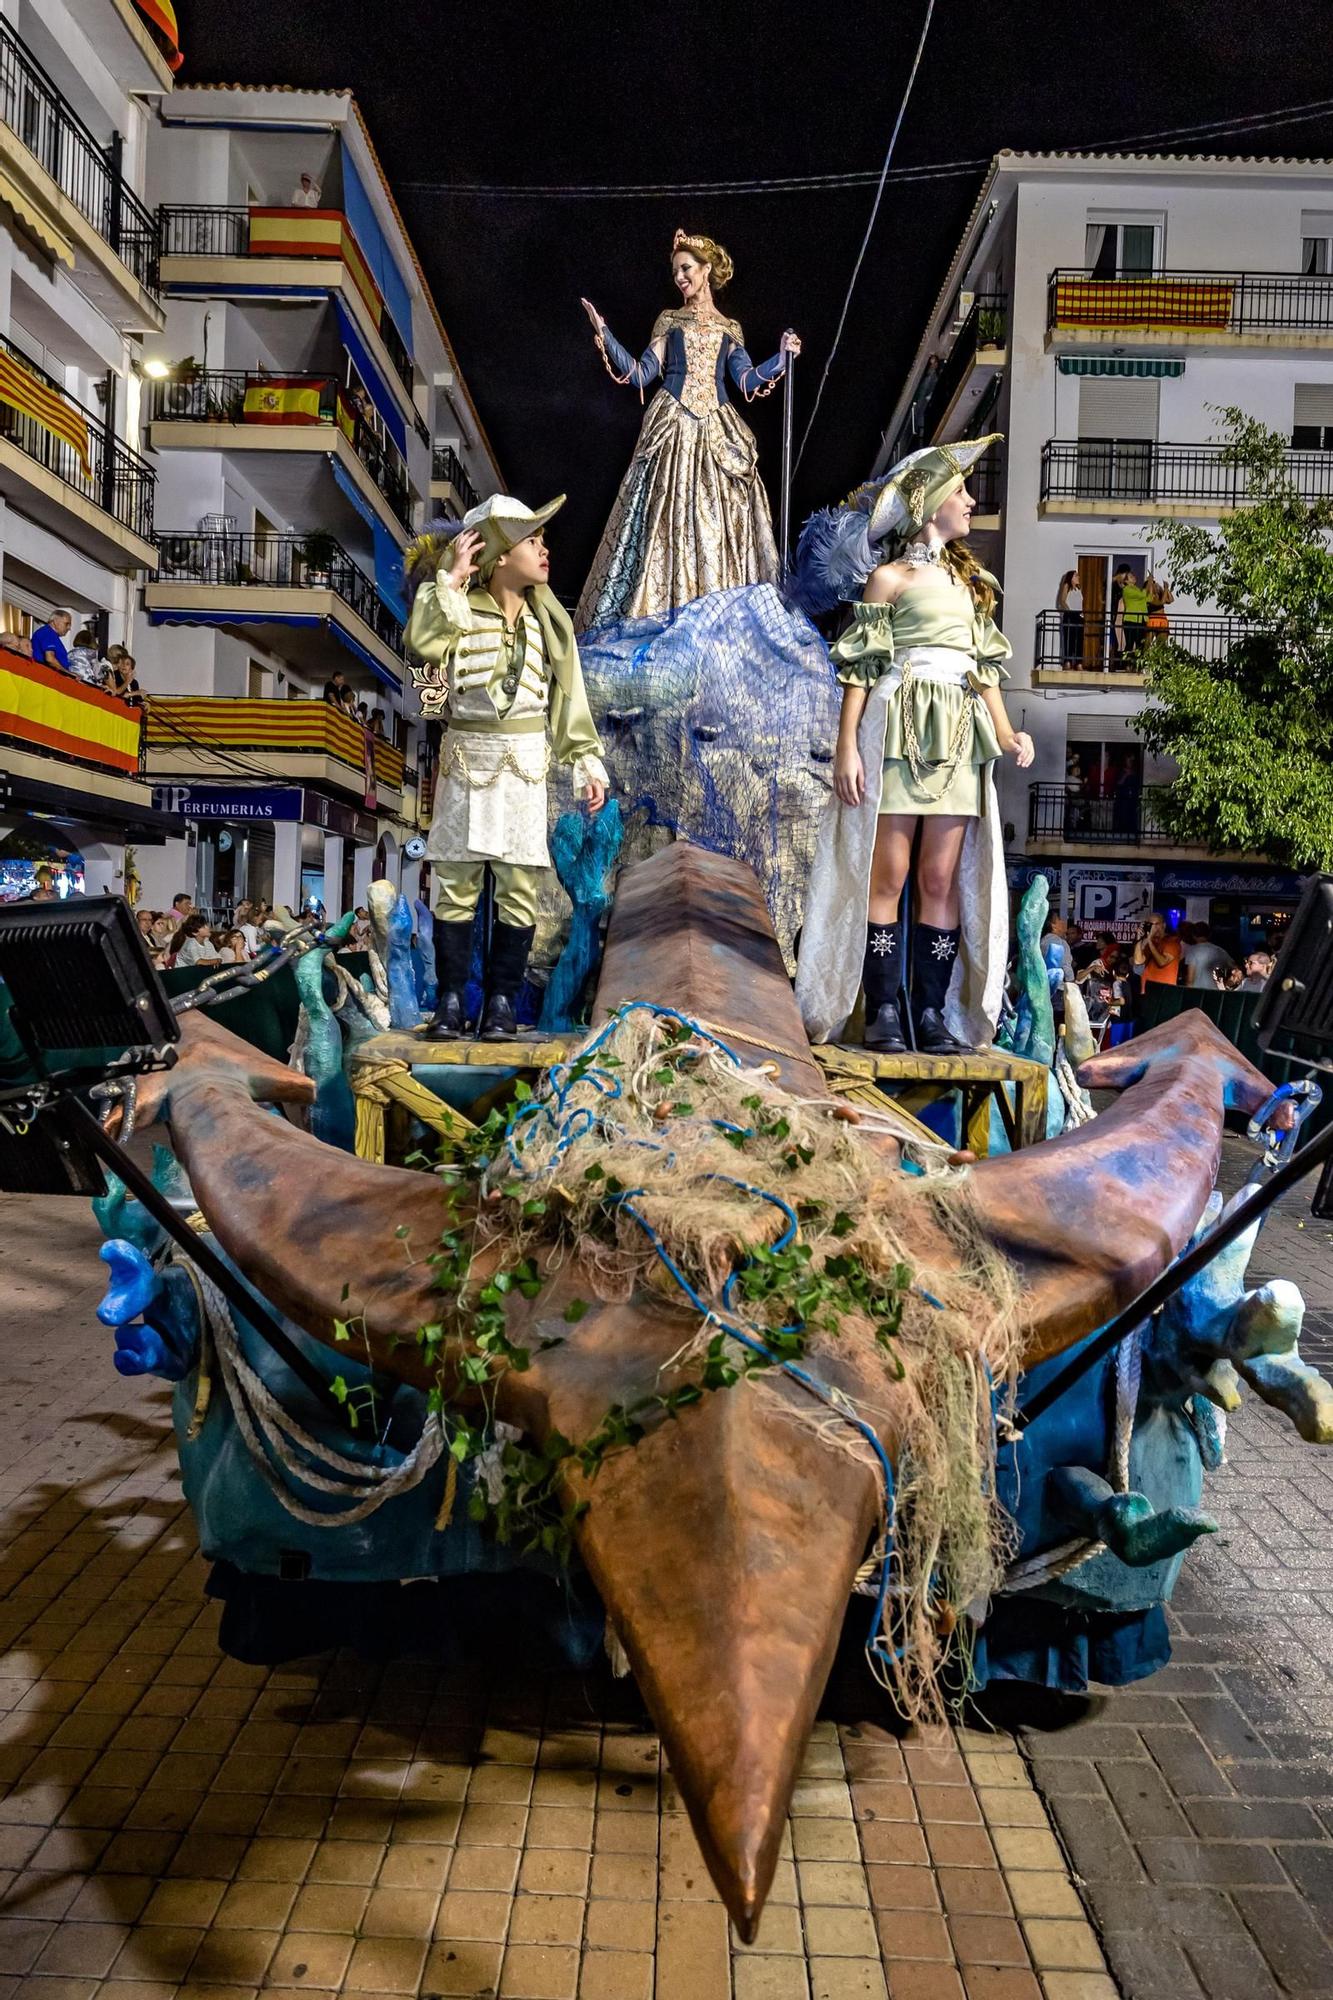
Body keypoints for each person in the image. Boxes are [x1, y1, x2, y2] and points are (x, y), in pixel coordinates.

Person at [793, 437, 1034, 1056]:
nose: (971, 500)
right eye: (961, 491)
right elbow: (862, 667)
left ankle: (930, 1013)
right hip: (898, 725)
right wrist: (847, 746)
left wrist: (1007, 734)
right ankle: (883, 1013)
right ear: (931, 505)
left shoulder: (970, 584)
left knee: (940, 877)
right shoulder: (889, 579)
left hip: (956, 735)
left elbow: (983, 669)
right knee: (889, 873)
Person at [405, 493, 611, 1040]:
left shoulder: (551, 620)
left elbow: (568, 696)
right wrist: (449, 583)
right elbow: (424, 645)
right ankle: (449, 1004)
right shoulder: (450, 604)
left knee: (519, 887)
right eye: (532, 542)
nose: (545, 552)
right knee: (456, 884)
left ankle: (500, 1004)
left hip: (524, 763)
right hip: (467, 759)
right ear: (497, 555)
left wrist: (586, 761)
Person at [576, 229, 801, 628]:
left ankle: (715, 616)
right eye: (676, 271)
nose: (680, 277)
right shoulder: (670, 321)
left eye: (686, 268)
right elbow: (642, 373)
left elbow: (746, 380)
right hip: (674, 424)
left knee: (721, 524)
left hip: (716, 430)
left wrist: (782, 357)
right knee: (663, 520)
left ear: (706, 269)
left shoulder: (728, 328)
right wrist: (605, 333)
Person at [1180, 920, 1236, 989]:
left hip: (1196, 992)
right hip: (1213, 991)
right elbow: (1234, 967)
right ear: (1209, 935)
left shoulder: (1192, 950)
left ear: (1193, 935)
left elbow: (1190, 978)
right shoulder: (1218, 950)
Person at [1133, 912, 1182, 989]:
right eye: (1150, 924)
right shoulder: (1147, 942)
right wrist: (1139, 939)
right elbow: (1138, 962)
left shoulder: (1172, 942)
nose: (1153, 927)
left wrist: (1149, 940)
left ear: (1164, 925)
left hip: (1163, 990)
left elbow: (1162, 962)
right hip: (1146, 988)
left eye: (1156, 924)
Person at [30, 609, 74, 673]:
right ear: (55, 621)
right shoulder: (47, 633)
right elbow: (50, 659)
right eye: (66, 624)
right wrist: (67, 673)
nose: (69, 628)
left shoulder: (51, 634)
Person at [1056, 570, 1083, 667]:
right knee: (1069, 639)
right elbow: (1062, 601)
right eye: (1076, 576)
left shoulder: (1078, 590)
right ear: (1071, 578)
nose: (1078, 577)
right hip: (1070, 615)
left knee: (1079, 640)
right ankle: (1068, 661)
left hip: (1079, 616)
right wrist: (1069, 611)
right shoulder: (1067, 586)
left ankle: (1079, 662)